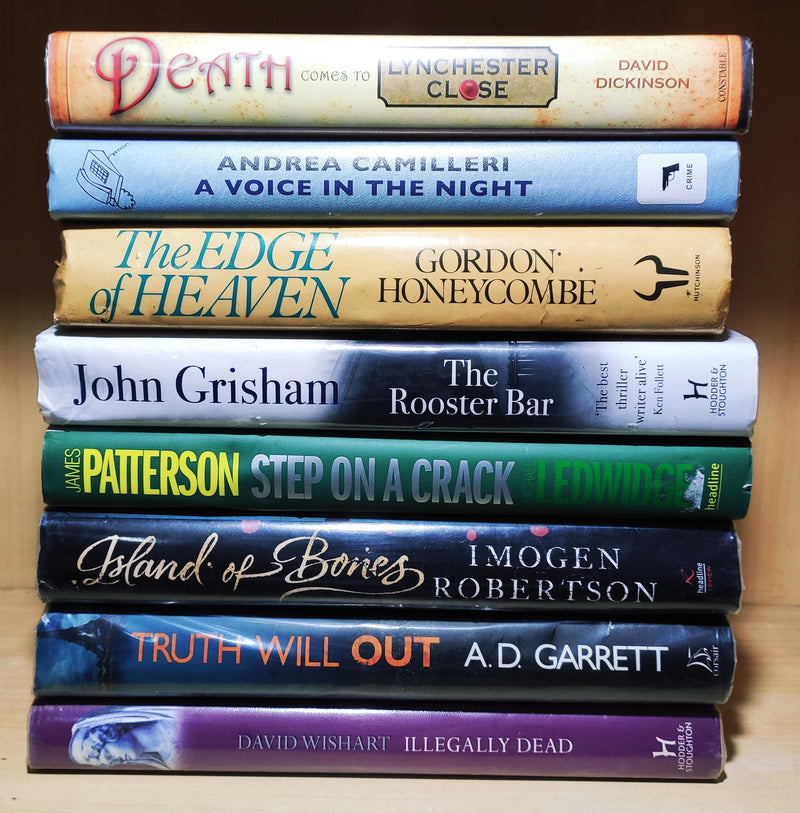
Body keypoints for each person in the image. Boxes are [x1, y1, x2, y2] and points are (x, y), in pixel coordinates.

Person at [68, 706, 181, 769]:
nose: (119, 762)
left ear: (109, 732)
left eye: (108, 755)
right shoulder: (173, 763)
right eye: (108, 763)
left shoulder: (176, 718)